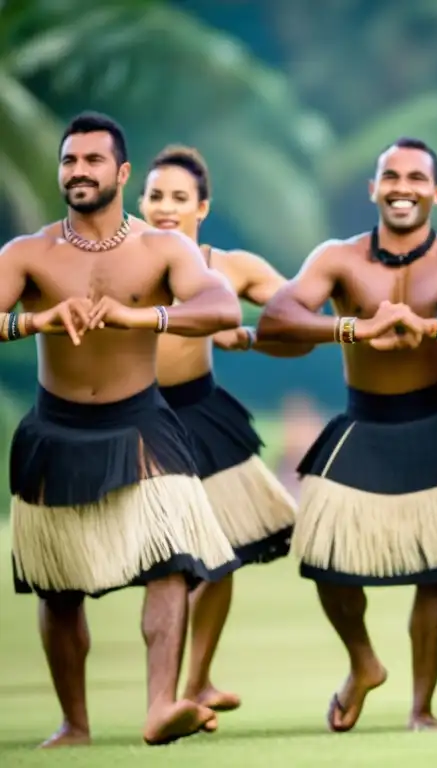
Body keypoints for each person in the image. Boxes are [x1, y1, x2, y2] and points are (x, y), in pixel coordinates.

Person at [256, 137, 437, 731]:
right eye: (391, 176)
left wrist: (432, 327)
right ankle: (363, 663)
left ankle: (422, 710)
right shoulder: (338, 258)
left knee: (436, 571)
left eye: (415, 178)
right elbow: (277, 321)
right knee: (325, 559)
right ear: (374, 188)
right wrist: (353, 329)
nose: (402, 187)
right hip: (366, 419)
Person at [0, 112, 243, 747]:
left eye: (92, 160)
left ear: (122, 172)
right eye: (69, 161)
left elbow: (220, 306)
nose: (78, 171)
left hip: (141, 420)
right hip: (57, 427)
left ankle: (161, 704)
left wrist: (144, 320)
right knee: (59, 587)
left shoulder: (164, 248)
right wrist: (36, 321)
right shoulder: (28, 253)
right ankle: (74, 724)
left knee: (171, 558)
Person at [139, 145, 311, 714]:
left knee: (226, 549)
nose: (166, 208)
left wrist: (250, 332)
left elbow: (300, 316)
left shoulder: (232, 266)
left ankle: (199, 680)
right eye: (156, 196)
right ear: (139, 201)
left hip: (203, 411)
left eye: (179, 198)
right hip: (137, 414)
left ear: (202, 207)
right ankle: (162, 693)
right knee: (172, 561)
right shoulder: (126, 259)